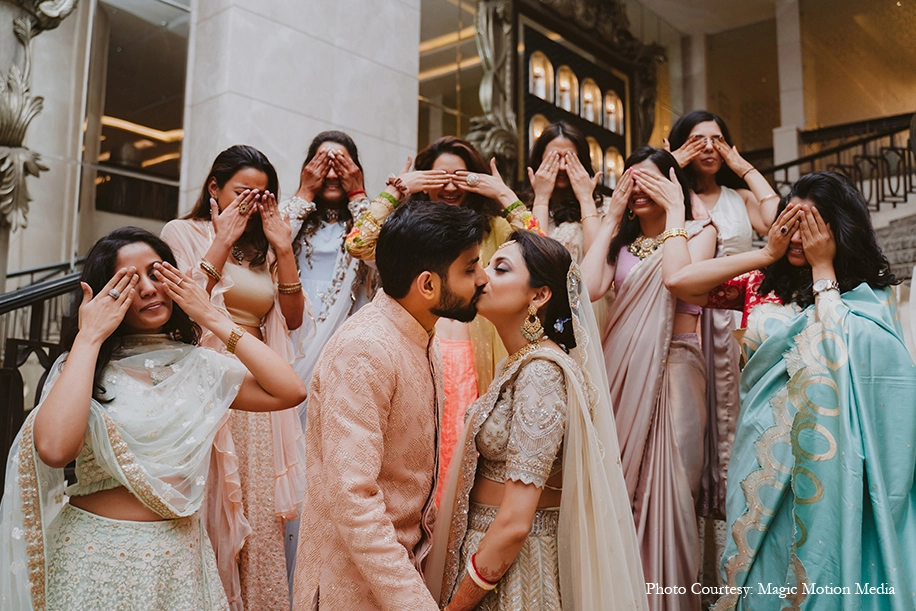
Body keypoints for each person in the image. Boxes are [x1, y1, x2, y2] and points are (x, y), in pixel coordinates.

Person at [0, 227, 308, 611]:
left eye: (157, 273)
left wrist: (210, 315)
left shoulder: (199, 367)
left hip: (177, 563)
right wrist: (89, 337)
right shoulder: (82, 367)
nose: (148, 288)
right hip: (95, 562)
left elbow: (290, 390)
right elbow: (54, 449)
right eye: (129, 282)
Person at [662, 172, 916, 611]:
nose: (799, 236)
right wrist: (764, 252)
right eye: (790, 221)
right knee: (760, 567)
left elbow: (861, 365)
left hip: (833, 459)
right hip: (761, 454)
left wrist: (822, 270)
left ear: (840, 228)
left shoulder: (866, 296)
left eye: (813, 224)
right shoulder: (760, 285)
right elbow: (681, 283)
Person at [426, 231, 648, 611]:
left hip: (517, 571)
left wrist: (455, 607)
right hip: (487, 552)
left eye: (500, 268)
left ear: (539, 295)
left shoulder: (541, 374)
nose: (482, 277)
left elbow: (514, 523)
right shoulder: (519, 363)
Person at [293, 201, 489, 610]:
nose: (482, 279)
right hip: (349, 587)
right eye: (470, 269)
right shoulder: (365, 349)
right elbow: (354, 500)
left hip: (399, 578)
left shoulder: (419, 334)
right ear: (428, 285)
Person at [346, 136, 541, 501]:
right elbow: (359, 244)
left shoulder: (492, 229)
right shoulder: (411, 228)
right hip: (419, 346)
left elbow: (543, 252)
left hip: (475, 351)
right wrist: (397, 190)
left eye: (461, 177)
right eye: (439, 178)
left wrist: (503, 194)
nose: (450, 186)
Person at [161, 145, 309, 611]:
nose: (250, 203)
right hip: (205, 381)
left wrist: (282, 247)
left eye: (262, 196)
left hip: (256, 383)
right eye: (241, 192)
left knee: (257, 514)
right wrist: (221, 239)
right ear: (213, 188)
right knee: (213, 505)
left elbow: (292, 315)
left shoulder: (261, 250)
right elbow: (180, 308)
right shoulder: (182, 232)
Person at [580, 146, 717, 611]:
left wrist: (677, 210)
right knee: (619, 487)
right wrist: (611, 213)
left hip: (678, 369)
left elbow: (683, 280)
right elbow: (586, 289)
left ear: (674, 184)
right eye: (629, 181)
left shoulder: (700, 233)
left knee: (674, 494)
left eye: (649, 181)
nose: (637, 189)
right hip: (618, 372)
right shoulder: (619, 245)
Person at [667, 111, 780, 537]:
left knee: (737, 415)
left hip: (735, 319)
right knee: (690, 426)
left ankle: (737, 527)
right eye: (698, 140)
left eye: (718, 139)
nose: (709, 147)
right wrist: (671, 164)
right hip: (686, 320)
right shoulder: (673, 202)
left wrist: (743, 167)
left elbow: (774, 222)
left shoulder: (741, 198)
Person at [279, 130, 376, 585]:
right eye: (322, 162)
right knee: (288, 453)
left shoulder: (369, 219)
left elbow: (381, 258)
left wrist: (360, 195)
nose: (332, 170)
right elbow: (269, 245)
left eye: (343, 162)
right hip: (290, 337)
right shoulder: (293, 217)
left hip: (344, 341)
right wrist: (302, 191)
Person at [525, 120, 604, 263]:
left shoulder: (605, 209)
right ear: (539, 161)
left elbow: (597, 262)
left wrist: (585, 198)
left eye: (569, 159)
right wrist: (541, 198)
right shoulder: (522, 209)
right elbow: (533, 260)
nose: (562, 166)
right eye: (554, 158)